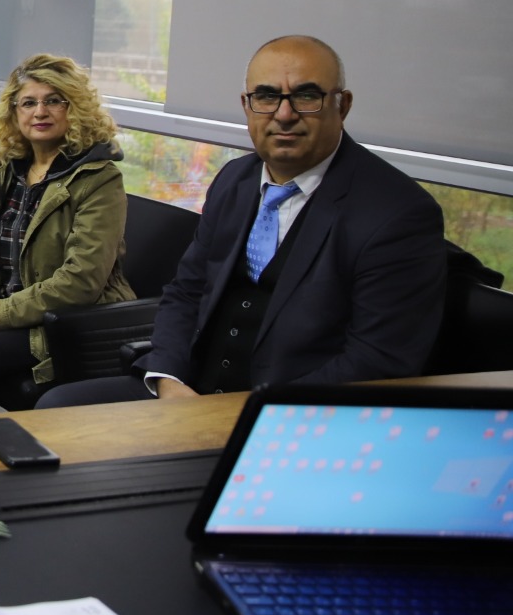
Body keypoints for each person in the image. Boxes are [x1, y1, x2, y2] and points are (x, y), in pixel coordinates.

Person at [37, 35, 448, 408]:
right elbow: (187, 291)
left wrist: (249, 414)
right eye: (266, 96)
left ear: (343, 105)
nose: (284, 114)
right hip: (190, 392)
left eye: (306, 96)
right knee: (57, 409)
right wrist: (168, 379)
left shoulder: (397, 212)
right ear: (247, 106)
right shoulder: (235, 180)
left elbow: (378, 360)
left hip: (292, 417)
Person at [0, 54, 134, 416]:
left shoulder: (99, 179)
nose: (40, 112)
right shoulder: (7, 169)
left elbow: (82, 280)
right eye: (29, 103)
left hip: (66, 319)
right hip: (3, 304)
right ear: (14, 112)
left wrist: (0, 314)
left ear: (74, 107)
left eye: (54, 101)